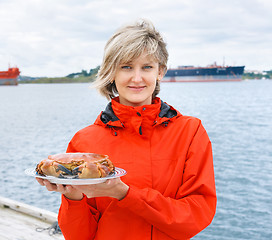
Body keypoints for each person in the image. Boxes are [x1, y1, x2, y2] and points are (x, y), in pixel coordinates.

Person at [36, 19, 217, 240]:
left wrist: (124, 194)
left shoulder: (190, 131)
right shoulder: (84, 141)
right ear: (112, 72)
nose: (137, 78)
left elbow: (196, 216)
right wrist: (73, 198)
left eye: (147, 67)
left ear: (160, 72)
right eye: (126, 67)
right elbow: (79, 236)